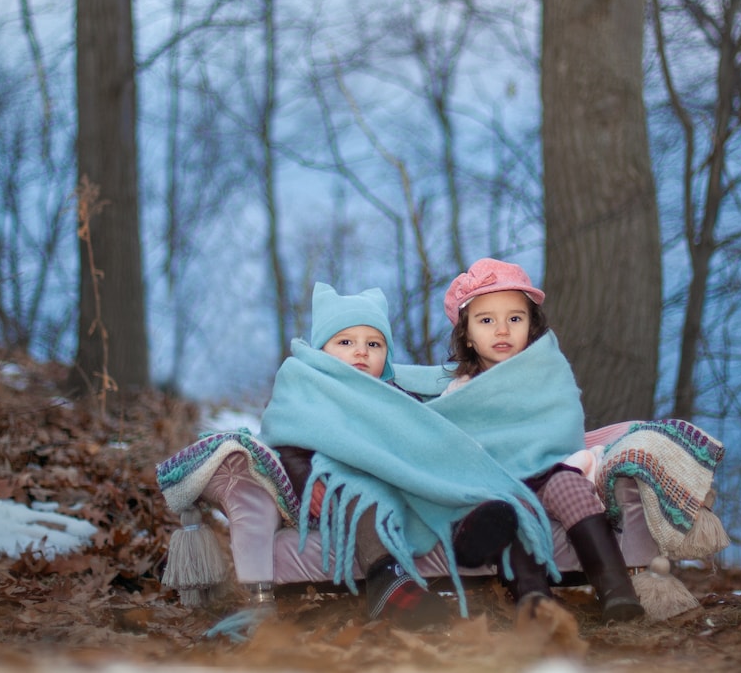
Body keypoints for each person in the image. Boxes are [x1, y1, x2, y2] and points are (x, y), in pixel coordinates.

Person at [260, 283, 534, 629]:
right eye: (345, 343)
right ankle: (385, 578)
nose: (361, 352)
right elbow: (288, 440)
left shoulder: (392, 394)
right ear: (322, 351)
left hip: (399, 478)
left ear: (386, 356)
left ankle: (467, 527)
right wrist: (306, 481)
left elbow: (419, 431)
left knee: (431, 480)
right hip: (344, 485)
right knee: (365, 498)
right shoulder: (310, 391)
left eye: (374, 344)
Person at [438, 257, 645, 622]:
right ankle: (533, 599)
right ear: (467, 335)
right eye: (486, 321)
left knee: (570, 486)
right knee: (504, 511)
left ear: (531, 327)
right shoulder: (460, 392)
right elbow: (452, 446)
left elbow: (563, 425)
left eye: (515, 319)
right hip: (499, 484)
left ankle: (616, 591)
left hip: (549, 470)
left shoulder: (548, 377)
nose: (502, 330)